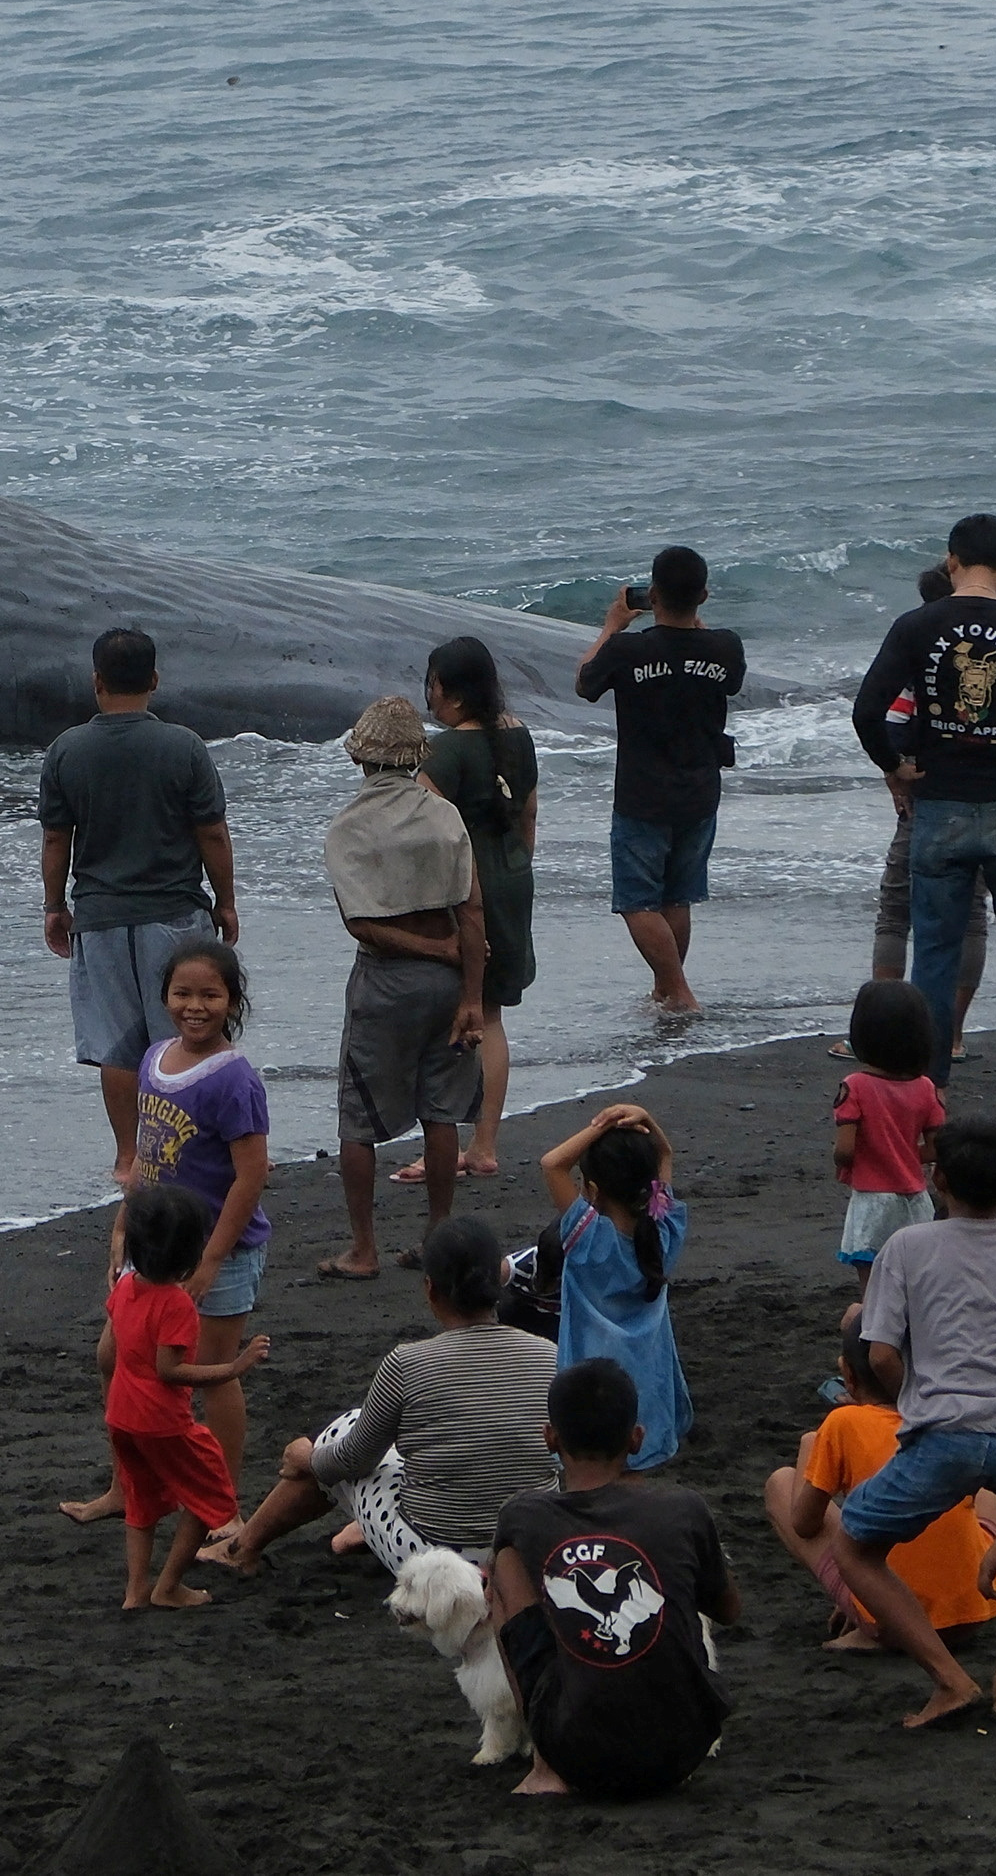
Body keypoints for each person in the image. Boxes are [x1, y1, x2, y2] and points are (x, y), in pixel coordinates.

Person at [829, 1122, 996, 1725]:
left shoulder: (908, 1247)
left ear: (936, 1178)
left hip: (942, 1434)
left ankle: (948, 1678)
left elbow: (882, 1351)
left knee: (855, 1544)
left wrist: (914, 1399)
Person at [848, 514, 996, 1107]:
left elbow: (867, 711)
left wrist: (893, 765)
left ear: (951, 562)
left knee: (937, 950)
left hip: (940, 805)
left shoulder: (917, 625)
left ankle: (930, 1082)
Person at [202, 1216, 547, 1576]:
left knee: (342, 1431)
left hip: (439, 1558)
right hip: (526, 1549)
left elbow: (352, 1462)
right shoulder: (548, 1355)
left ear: (430, 1288)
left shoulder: (408, 1362)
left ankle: (241, 1548)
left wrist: (308, 1457)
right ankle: (338, 1533)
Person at [66, 940, 272, 1526]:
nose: (195, 1006)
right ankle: (128, 1486)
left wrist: (209, 1260)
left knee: (212, 1374)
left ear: (233, 1001)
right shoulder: (155, 1060)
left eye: (211, 994)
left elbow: (251, 1174)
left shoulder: (234, 1080)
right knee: (114, 1357)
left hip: (218, 1254)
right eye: (182, 993)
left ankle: (223, 1510)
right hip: (150, 1251)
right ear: (164, 998)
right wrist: (121, 1229)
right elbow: (147, 1165)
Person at [488, 1358, 738, 1802]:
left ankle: (545, 1766)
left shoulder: (524, 1515)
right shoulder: (684, 1507)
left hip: (578, 1753)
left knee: (503, 1569)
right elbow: (730, 1611)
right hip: (686, 1745)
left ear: (550, 1436)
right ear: (637, 1438)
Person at [38, 630, 238, 1183]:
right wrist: (226, 900)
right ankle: (189, 1150)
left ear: (96, 681)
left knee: (117, 1046)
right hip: (175, 914)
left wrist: (55, 905)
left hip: (100, 919)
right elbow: (212, 833)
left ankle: (131, 1157)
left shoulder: (67, 750)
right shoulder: (184, 746)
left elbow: (57, 839)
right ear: (154, 681)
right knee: (186, 1032)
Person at [320, 698, 485, 1276]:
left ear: (362, 760)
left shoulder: (349, 825)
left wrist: (432, 951)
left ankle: (363, 1248)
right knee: (441, 1113)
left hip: (386, 983)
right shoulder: (444, 816)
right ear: (416, 758)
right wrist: (471, 997)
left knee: (358, 1119)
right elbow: (471, 912)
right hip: (447, 983)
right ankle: (437, 1237)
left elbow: (361, 925)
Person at [763, 1317, 996, 1657]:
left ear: (847, 1375)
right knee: (993, 1491)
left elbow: (805, 1523)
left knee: (781, 1484)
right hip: (972, 1618)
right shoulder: (953, 1410)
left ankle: (866, 1620)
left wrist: (810, 1444)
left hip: (893, 1624)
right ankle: (984, 1583)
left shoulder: (844, 1422)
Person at [578, 547, 746, 1016]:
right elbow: (728, 680)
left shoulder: (629, 649)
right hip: (699, 791)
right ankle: (666, 989)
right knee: (678, 894)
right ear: (705, 596)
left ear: (651, 596)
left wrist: (613, 624)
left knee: (636, 901)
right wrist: (695, 628)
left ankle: (680, 992)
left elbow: (584, 683)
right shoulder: (725, 646)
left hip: (641, 792)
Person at [96, 1184, 272, 1611]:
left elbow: (123, 1344)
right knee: (212, 1494)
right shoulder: (176, 1304)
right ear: (192, 1256)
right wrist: (234, 1367)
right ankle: (169, 1584)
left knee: (140, 1502)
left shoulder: (124, 1287)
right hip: (161, 1420)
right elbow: (169, 1371)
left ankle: (135, 1590)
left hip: (121, 1414)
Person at [420, 635, 539, 1175]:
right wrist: (516, 867)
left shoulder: (442, 753)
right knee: (489, 1015)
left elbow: (428, 835)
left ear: (452, 692)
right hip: (513, 875)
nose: (431, 696)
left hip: (463, 887)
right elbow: (528, 814)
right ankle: (484, 1144)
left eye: (434, 684)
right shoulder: (521, 738)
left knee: (453, 1010)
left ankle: (443, 1148)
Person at [868, 565, 989, 1022]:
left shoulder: (918, 648)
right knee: (971, 912)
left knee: (897, 908)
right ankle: (953, 1032)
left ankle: (884, 1030)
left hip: (925, 796)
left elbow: (890, 723)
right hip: (984, 794)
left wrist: (896, 771)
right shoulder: (986, 653)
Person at [539, 1104, 689, 1470]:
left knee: (587, 1479)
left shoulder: (587, 1238)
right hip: (649, 1394)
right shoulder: (663, 1233)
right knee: (634, 1483)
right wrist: (648, 1119)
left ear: (591, 1189)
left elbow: (552, 1164)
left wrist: (600, 1126)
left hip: (588, 1394)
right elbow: (665, 1154)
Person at [832, 980, 945, 1272]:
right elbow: (935, 1148)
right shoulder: (926, 1088)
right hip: (915, 1199)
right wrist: (905, 1153)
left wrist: (854, 1162)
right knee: (915, 1272)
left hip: (872, 1200)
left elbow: (845, 1150)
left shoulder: (855, 1085)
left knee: (872, 1275)